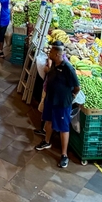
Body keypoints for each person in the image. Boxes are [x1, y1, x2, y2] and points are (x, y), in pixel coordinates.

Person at [34, 41, 80, 169]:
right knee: (48, 121)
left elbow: (77, 87)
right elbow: (50, 73)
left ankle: (64, 155)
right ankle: (46, 141)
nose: (49, 53)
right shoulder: (54, 63)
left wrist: (71, 97)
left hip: (62, 103)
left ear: (57, 53)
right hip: (50, 99)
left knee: (63, 128)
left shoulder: (68, 68)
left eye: (51, 52)